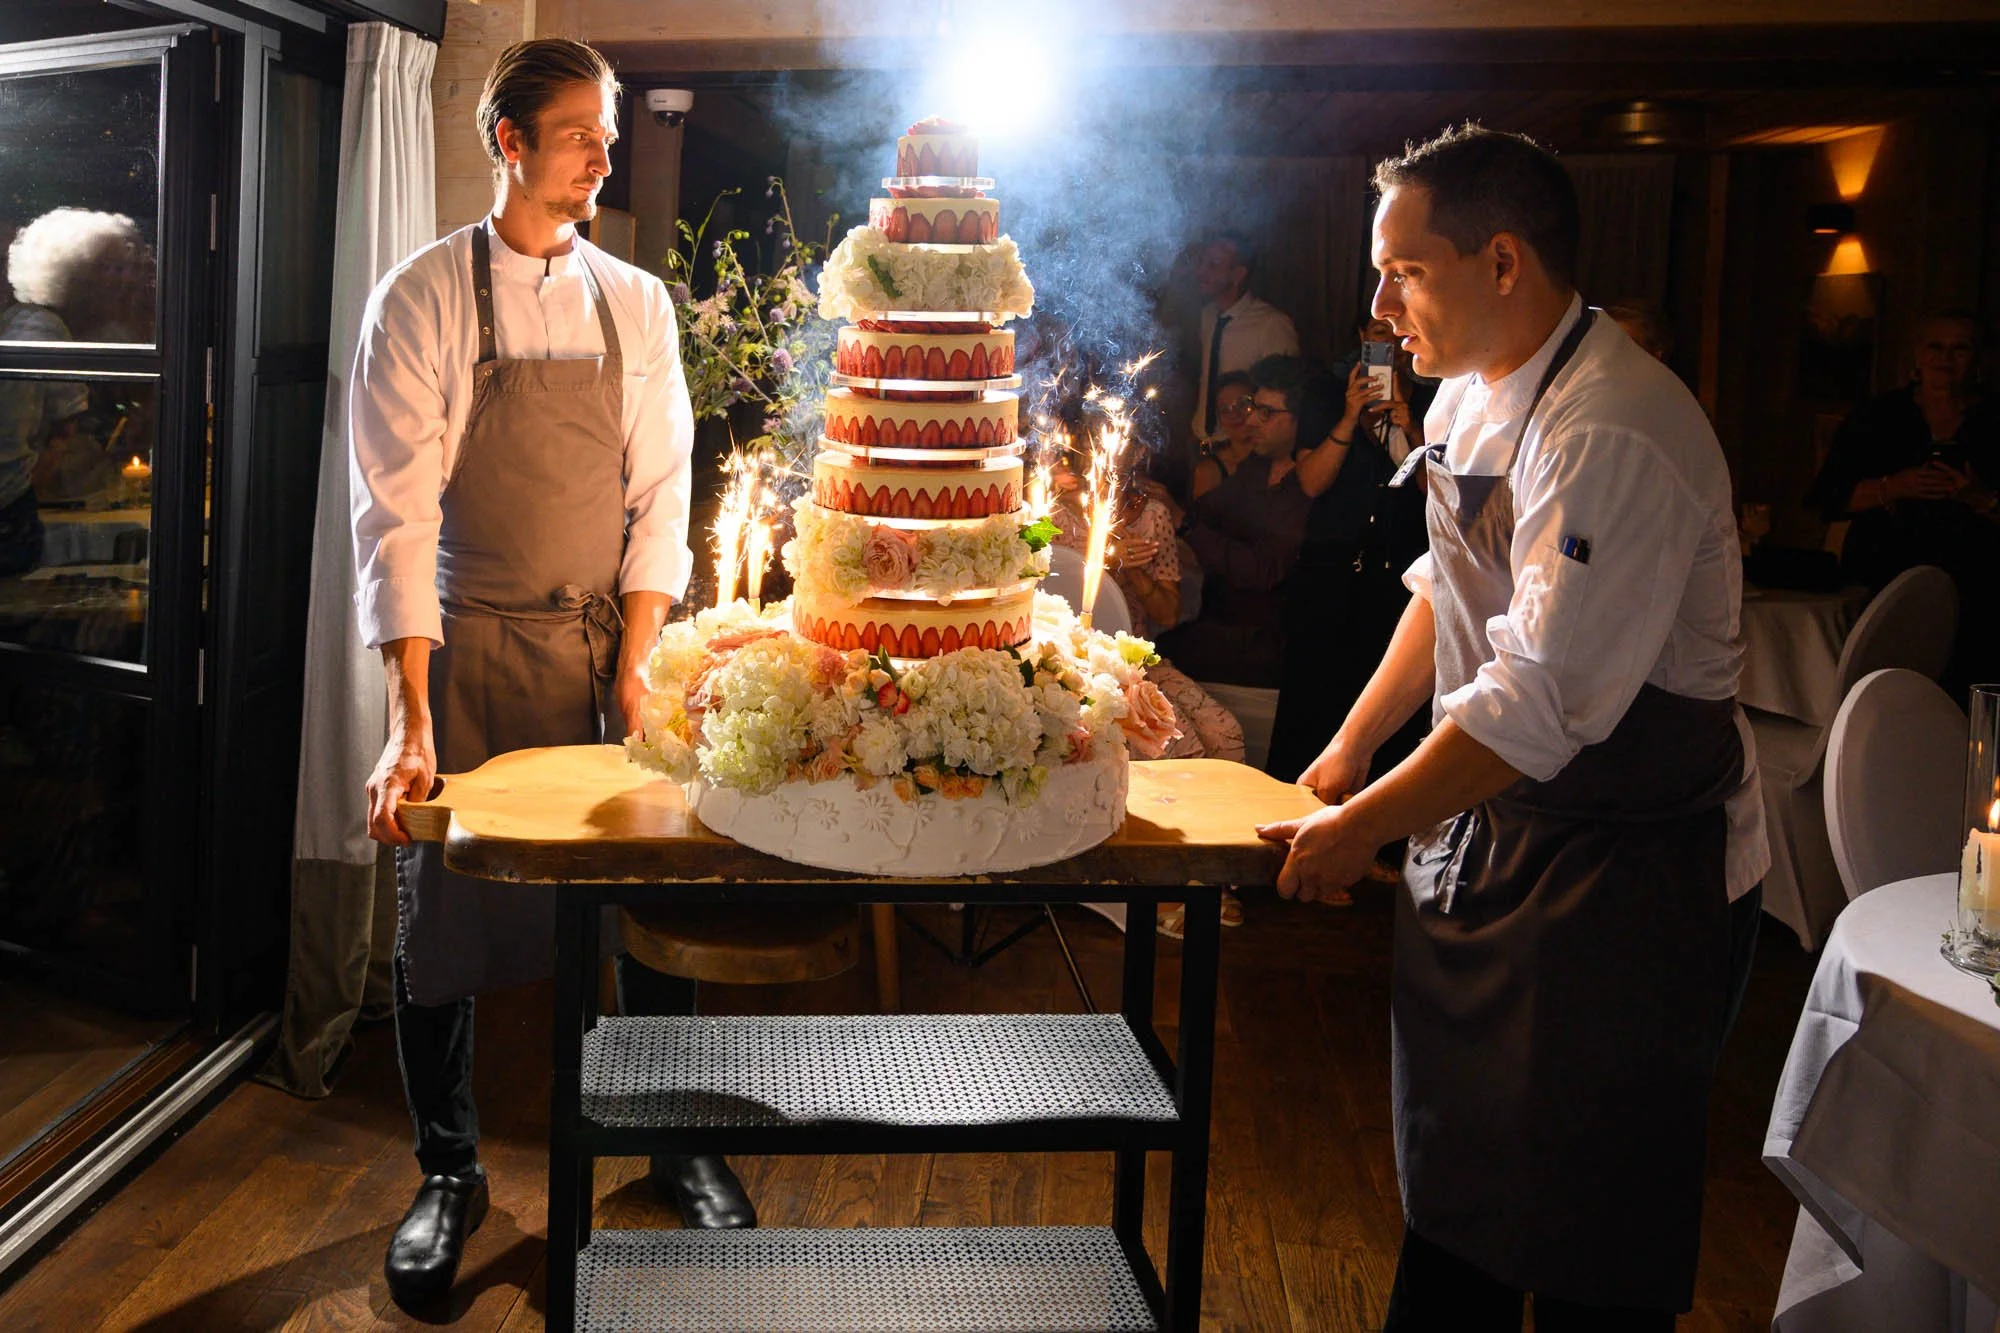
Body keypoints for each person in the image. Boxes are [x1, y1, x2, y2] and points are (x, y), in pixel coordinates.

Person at [1257, 125, 1767, 1330]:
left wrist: (1356, 833)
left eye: (1404, 271)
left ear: (1500, 261)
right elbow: (1446, 594)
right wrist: (1347, 752)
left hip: (1630, 875)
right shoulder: (1477, 395)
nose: (1378, 307)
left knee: (1594, 1243)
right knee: (1462, 1197)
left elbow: (1538, 697)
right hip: (1502, 841)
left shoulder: (1611, 429)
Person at [349, 39, 752, 1311]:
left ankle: (676, 1135)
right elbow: (395, 522)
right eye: (577, 129)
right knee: (442, 920)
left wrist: (638, 664)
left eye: (608, 128)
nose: (603, 151)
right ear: (507, 142)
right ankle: (449, 1173)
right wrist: (409, 717)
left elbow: (657, 498)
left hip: (603, 655)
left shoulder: (634, 302)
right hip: (466, 648)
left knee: (650, 897)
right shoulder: (419, 298)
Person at [1805, 309, 1999, 693]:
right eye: (1935, 347)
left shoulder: (1993, 420)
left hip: (1977, 589)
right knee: (1886, 691)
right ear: (1917, 354)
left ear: (1978, 357)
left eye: (1960, 348)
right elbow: (1827, 498)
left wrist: (1978, 498)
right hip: (1887, 581)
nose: (1945, 359)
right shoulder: (1878, 416)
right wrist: (1894, 486)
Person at [1185, 231, 1300, 444]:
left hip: (1243, 445)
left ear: (1238, 275)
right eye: (1202, 262)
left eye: (1213, 264)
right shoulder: (1208, 315)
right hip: (1201, 436)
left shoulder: (1271, 324)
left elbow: (1285, 396)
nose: (1201, 271)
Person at [1191, 370, 1256, 498]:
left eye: (1242, 404)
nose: (1235, 414)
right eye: (1225, 410)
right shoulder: (1209, 472)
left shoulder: (1279, 459)